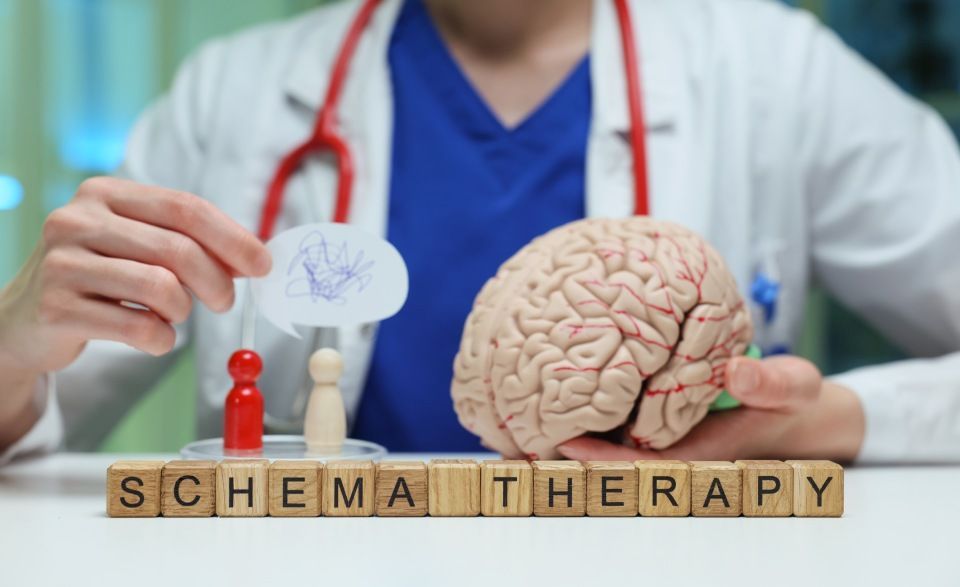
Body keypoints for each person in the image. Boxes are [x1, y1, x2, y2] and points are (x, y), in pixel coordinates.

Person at [1, 0, 959, 465]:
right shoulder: (234, 93)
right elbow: (38, 422)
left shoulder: (775, 72)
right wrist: (10, 342)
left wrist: (824, 422)